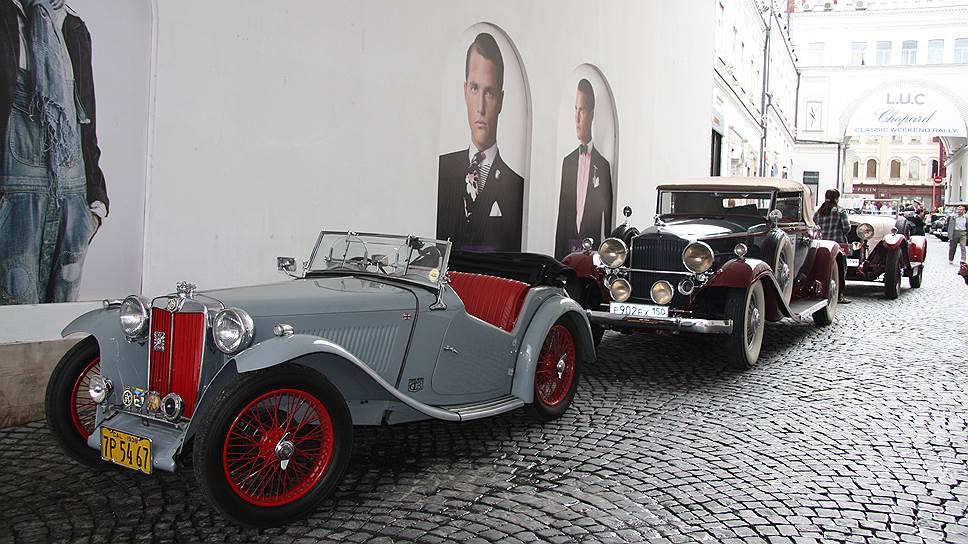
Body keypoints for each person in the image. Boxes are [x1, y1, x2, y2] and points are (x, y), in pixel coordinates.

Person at [0, 0, 107, 305]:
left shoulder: (72, 25)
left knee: (62, 322)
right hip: (14, 200)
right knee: (14, 321)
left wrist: (96, 205)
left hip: (72, 200)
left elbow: (86, 117)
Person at [436, 32, 523, 252]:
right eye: (475, 89)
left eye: (490, 92)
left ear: (501, 100)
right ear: (465, 91)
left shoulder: (516, 185)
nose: (481, 107)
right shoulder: (441, 170)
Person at [553, 78, 613, 259]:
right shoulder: (568, 162)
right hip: (567, 254)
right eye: (576, 109)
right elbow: (562, 217)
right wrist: (556, 261)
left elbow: (608, 220)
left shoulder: (603, 166)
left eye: (583, 110)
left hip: (591, 253)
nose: (577, 118)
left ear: (592, 114)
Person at [813, 189, 850, 304]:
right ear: (836, 199)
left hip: (822, 246)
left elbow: (814, 227)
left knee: (822, 270)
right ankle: (839, 296)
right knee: (840, 271)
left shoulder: (818, 212)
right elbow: (846, 227)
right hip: (837, 245)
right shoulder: (840, 211)